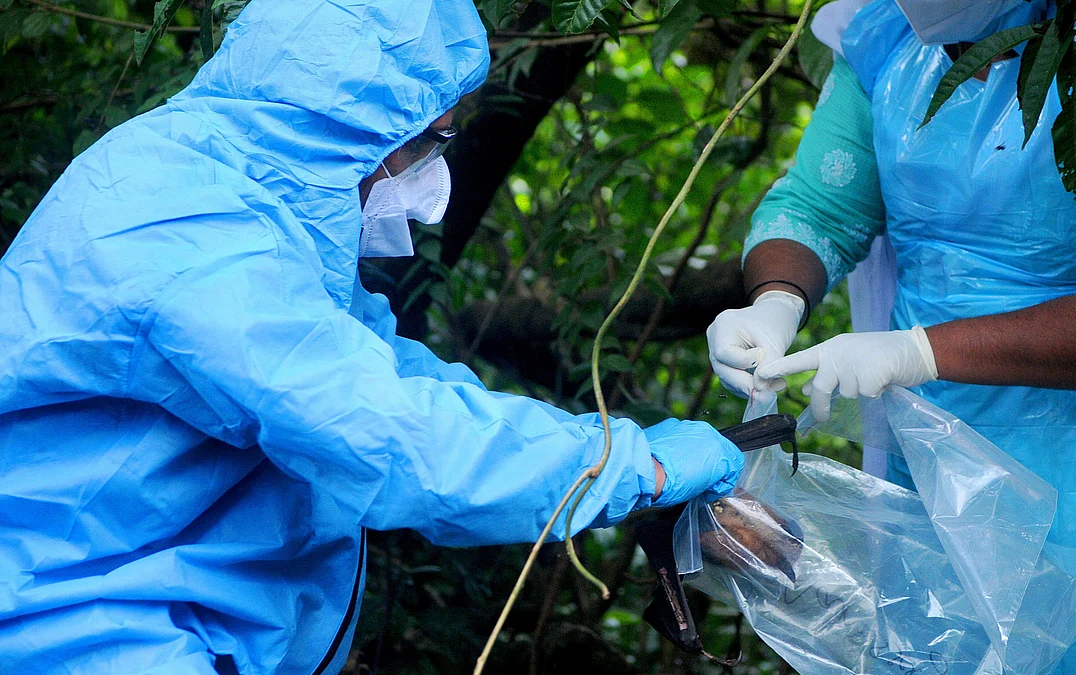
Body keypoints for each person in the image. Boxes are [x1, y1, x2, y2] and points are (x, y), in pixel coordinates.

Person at [0, 1, 744, 674]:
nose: (431, 185)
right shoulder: (191, 227)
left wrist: (607, 454)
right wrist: (624, 468)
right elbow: (384, 429)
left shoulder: (255, 196)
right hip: (78, 628)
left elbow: (392, 373)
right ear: (345, 115)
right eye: (429, 142)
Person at [706, 0, 1076, 672]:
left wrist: (922, 350)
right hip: (935, 456)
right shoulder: (885, 41)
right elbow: (817, 204)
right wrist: (776, 302)